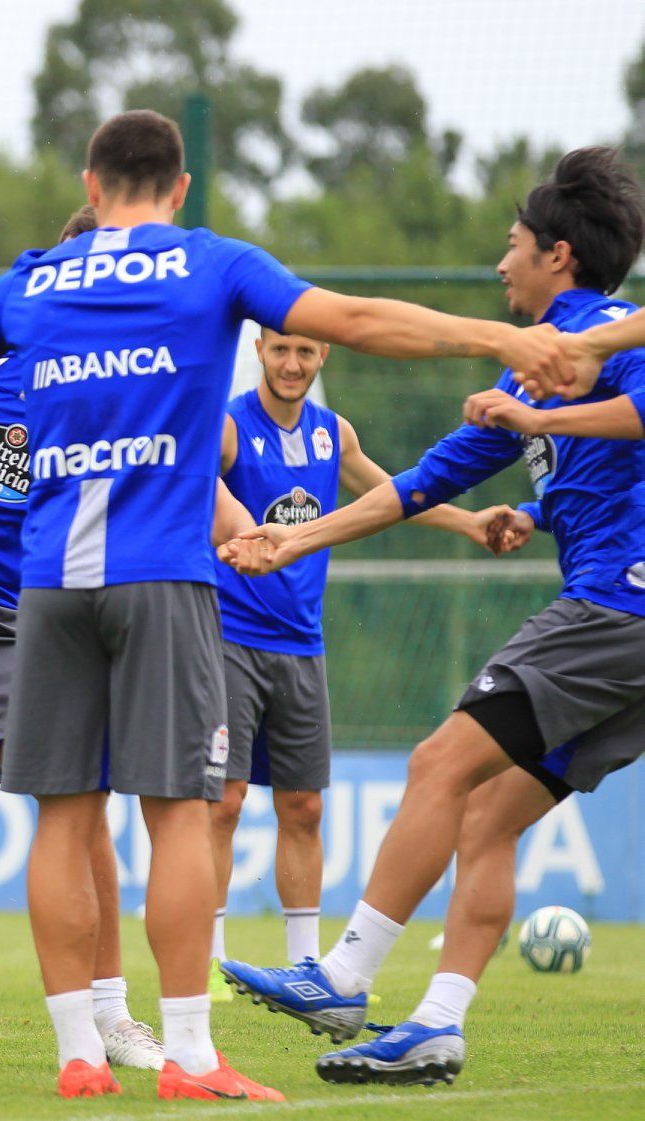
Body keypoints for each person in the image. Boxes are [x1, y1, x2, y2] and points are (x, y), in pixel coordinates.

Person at [0, 110, 569, 1101]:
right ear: (179, 187)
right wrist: (493, 334)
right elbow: (358, 320)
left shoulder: (32, 279)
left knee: (60, 817)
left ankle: (76, 1051)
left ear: (89, 181)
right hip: (160, 575)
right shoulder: (211, 263)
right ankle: (189, 1055)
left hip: (49, 583)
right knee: (175, 817)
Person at [217, 146, 645, 1089]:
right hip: (623, 626)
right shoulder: (533, 369)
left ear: (558, 255)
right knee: (489, 814)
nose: (502, 264)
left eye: (514, 245)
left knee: (438, 764)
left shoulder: (609, 331)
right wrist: (293, 540)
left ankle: (344, 974)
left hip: (621, 606)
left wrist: (543, 425)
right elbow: (414, 487)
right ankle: (437, 1026)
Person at [206, 325, 498, 998]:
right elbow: (189, 489)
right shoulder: (226, 428)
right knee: (220, 805)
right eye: (280, 349)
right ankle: (207, 963)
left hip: (303, 647)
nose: (291, 362)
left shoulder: (334, 434)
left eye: (305, 351)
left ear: (323, 356)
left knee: (303, 807)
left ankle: (305, 965)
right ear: (260, 352)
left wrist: (472, 521)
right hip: (229, 638)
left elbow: (395, 496)